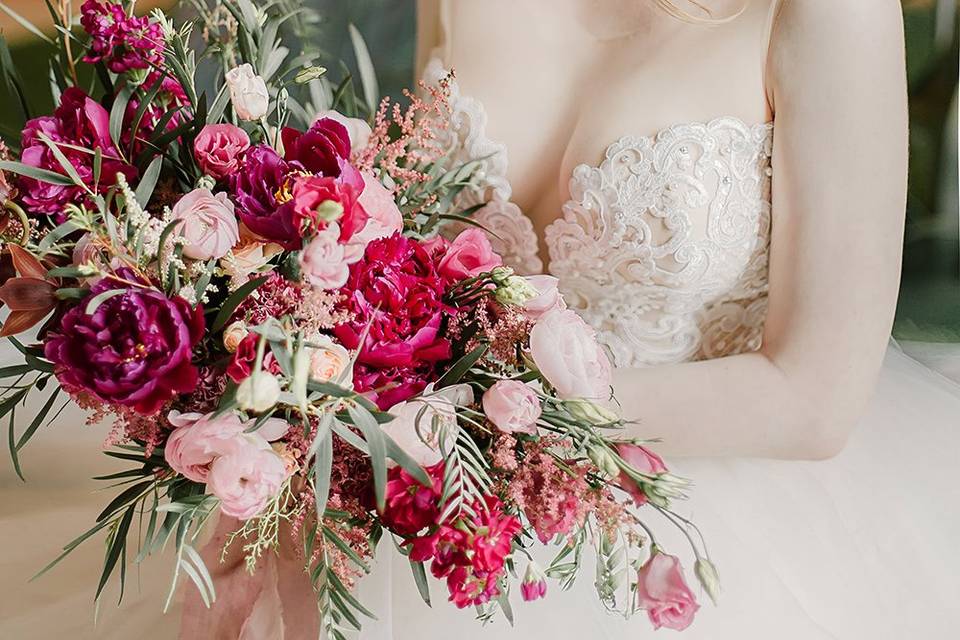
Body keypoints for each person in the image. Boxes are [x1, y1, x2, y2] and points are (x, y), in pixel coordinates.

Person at [347, 1, 960, 638]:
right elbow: (409, 238)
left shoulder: (829, 12)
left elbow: (817, 399)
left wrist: (487, 415)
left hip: (698, 522)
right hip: (441, 497)